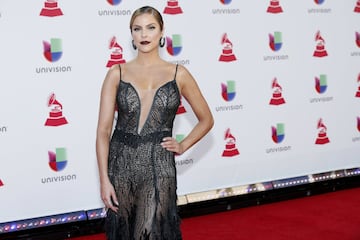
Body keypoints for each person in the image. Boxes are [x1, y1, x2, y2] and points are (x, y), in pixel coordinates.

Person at [96, 5, 214, 240]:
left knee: (149, 234)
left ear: (162, 32)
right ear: (131, 34)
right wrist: (104, 180)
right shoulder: (116, 73)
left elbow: (206, 119)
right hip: (121, 167)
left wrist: (182, 144)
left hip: (158, 168)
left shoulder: (178, 74)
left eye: (151, 28)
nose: (144, 34)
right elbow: (103, 132)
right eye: (137, 29)